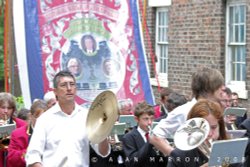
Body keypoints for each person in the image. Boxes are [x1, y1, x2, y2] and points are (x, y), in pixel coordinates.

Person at [25, 71, 110, 167]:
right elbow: (33, 156)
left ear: (76, 89)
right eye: (63, 85)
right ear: (55, 91)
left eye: (72, 84)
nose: (69, 88)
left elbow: (103, 152)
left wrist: (104, 131)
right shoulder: (44, 120)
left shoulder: (87, 116)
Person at [150, 66, 225, 156]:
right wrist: (176, 157)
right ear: (208, 89)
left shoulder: (215, 109)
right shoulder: (184, 110)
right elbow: (155, 136)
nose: (222, 89)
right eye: (219, 86)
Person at [167, 99, 229, 167]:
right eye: (203, 129)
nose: (209, 134)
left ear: (220, 127)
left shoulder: (230, 149)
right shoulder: (178, 155)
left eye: (213, 127)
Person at [122, 101, 167, 167]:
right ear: (136, 119)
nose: (150, 123)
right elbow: (132, 163)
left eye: (152, 119)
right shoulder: (128, 137)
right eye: (146, 119)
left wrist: (164, 152)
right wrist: (150, 142)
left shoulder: (157, 134)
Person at [7, 99, 48, 167]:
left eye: (45, 118)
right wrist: (31, 152)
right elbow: (12, 158)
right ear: (30, 116)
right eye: (38, 118)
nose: (42, 121)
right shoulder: (17, 134)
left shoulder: (53, 131)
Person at [0, 92, 27, 167]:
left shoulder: (22, 124)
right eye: (3, 107)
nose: (5, 111)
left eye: (9, 108)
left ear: (13, 109)